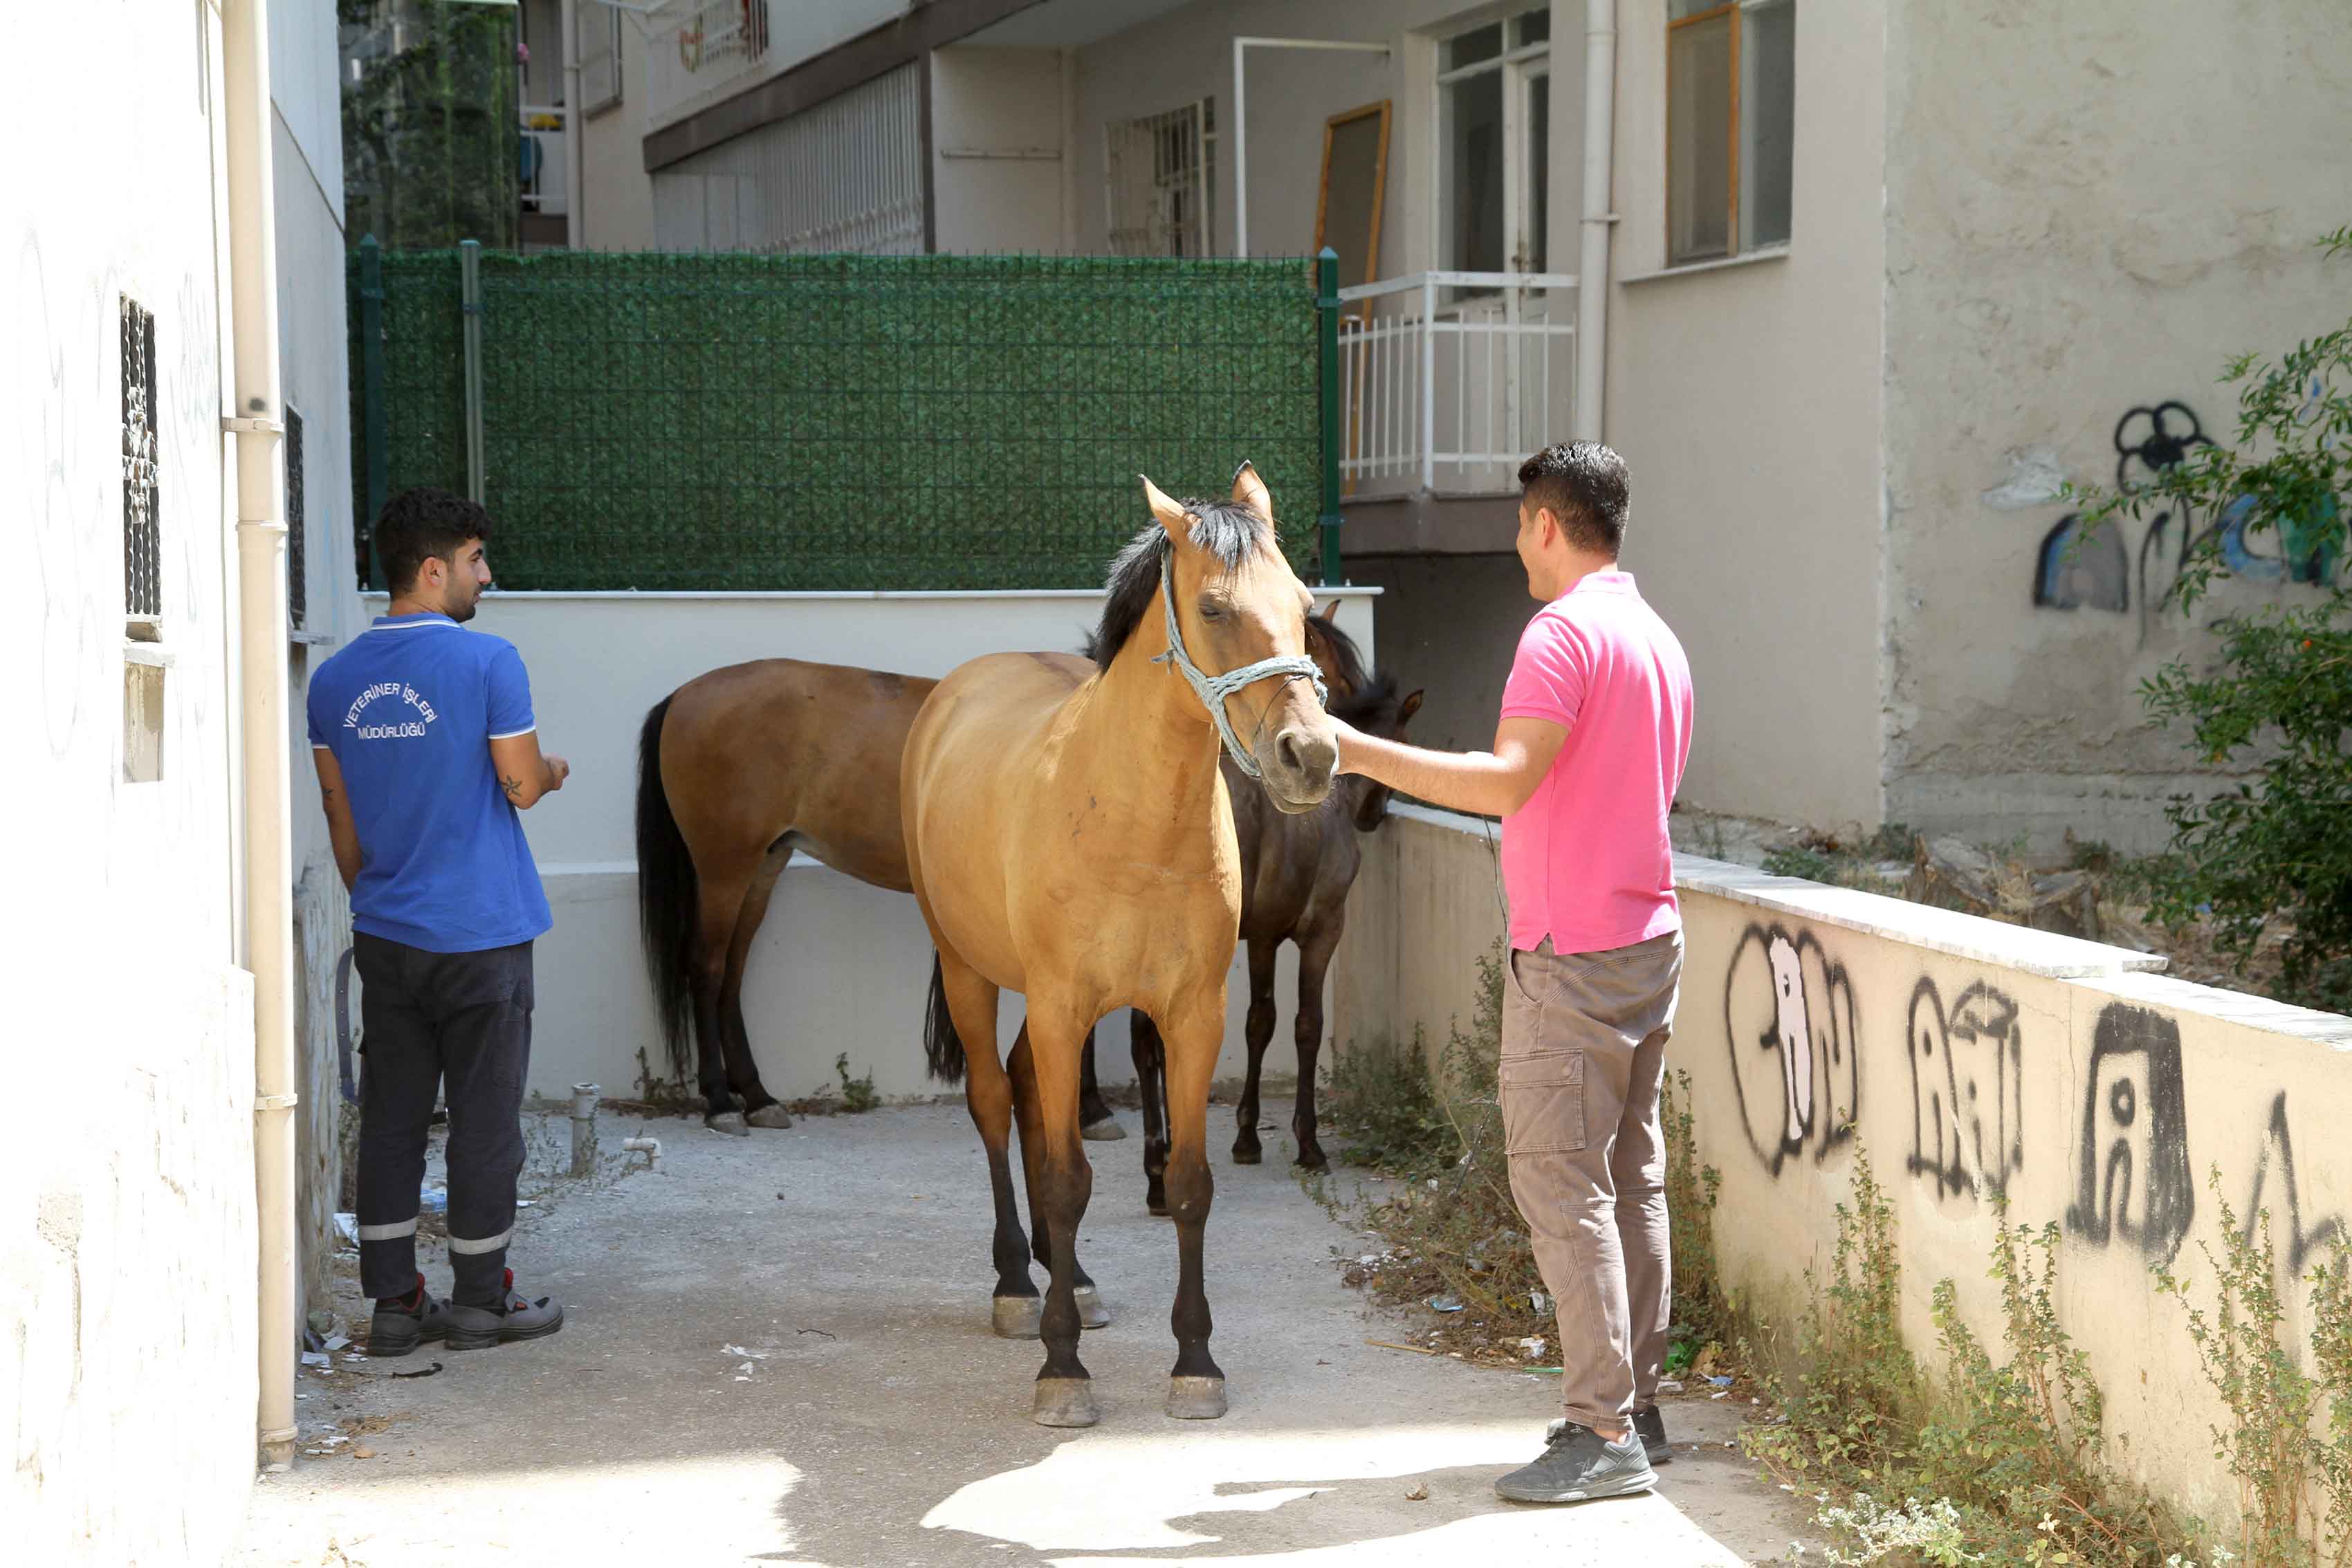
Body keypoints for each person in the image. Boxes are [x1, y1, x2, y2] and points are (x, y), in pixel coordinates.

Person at [1327, 443, 1693, 1505]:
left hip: (1573, 959)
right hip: (1647, 942)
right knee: (1630, 1177)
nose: (1516, 546)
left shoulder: (1560, 634)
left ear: (1546, 524)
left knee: (1563, 1188)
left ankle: (1602, 1429)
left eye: (1518, 526)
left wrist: (1353, 749)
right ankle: (1638, 1406)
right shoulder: (1657, 636)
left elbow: (1503, 783)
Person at [308, 487, 571, 1356]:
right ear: (432, 568)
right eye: (474, 559)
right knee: (485, 1122)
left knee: (392, 1119)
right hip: (482, 934)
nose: (485, 575)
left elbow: (340, 816)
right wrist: (553, 769)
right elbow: (520, 784)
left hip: (386, 932)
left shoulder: (333, 680)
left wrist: (381, 897)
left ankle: (394, 1306)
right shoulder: (490, 661)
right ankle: (481, 1302)